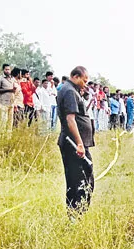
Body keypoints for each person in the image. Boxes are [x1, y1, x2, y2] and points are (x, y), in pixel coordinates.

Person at [56, 66, 94, 219]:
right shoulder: (70, 91)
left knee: (83, 178)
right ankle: (75, 216)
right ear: (76, 76)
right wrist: (79, 143)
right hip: (73, 145)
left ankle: (77, 214)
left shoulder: (72, 90)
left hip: (77, 144)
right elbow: (70, 119)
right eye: (84, 81)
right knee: (78, 181)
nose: (85, 84)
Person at [0, 64, 16, 131]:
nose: (7, 71)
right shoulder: (0, 78)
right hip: (3, 102)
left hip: (11, 102)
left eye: (9, 69)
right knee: (3, 121)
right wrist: (9, 90)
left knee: (10, 121)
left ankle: (8, 137)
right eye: (6, 69)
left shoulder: (12, 79)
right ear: (3, 70)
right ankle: (2, 136)